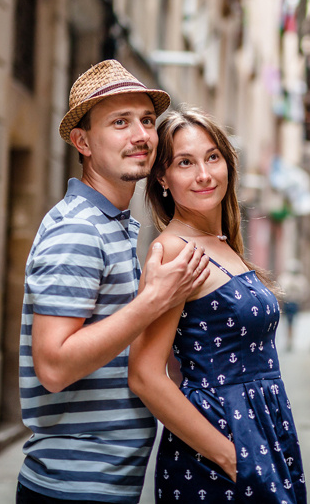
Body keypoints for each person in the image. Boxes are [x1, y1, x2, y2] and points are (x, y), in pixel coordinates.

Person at [18, 61, 212, 504]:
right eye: (120, 122)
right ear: (82, 142)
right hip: (74, 487)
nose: (141, 135)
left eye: (146, 120)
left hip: (99, 486)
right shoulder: (79, 230)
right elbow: (53, 367)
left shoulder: (113, 225)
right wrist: (153, 300)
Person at [129, 105, 307, 503]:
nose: (204, 174)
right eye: (185, 163)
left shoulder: (222, 243)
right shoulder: (174, 250)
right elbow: (145, 374)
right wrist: (231, 457)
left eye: (212, 157)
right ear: (162, 178)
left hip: (263, 430)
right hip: (217, 448)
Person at [279, 260, 309, 351]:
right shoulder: (284, 278)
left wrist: (299, 298)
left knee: (292, 322)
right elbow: (280, 289)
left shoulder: (301, 279)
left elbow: (305, 292)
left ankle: (290, 340)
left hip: (294, 303)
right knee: (287, 322)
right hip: (287, 303)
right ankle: (288, 339)